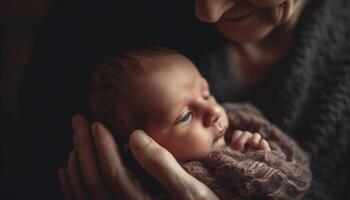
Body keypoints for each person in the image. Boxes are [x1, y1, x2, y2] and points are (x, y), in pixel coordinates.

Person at [19, 0, 349, 199]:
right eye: (184, 116)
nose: (207, 11)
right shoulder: (89, 25)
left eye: (206, 93)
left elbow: (286, 175)